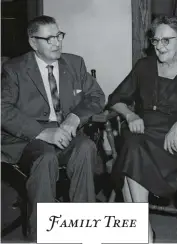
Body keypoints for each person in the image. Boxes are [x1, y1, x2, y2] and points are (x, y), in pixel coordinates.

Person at [107, 16, 177, 242]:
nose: (159, 46)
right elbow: (115, 99)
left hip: (175, 140)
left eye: (166, 40)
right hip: (142, 130)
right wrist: (130, 115)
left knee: (131, 151)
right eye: (156, 40)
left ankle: (138, 232)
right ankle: (143, 234)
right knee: (132, 144)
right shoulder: (144, 66)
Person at [1, 15, 105, 240]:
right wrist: (42, 132)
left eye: (59, 36)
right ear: (33, 42)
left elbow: (96, 96)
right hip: (28, 137)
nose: (57, 43)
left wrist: (74, 118)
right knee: (46, 157)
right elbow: (2, 109)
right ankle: (42, 233)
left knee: (86, 147)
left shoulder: (74, 63)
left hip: (65, 130)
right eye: (49, 38)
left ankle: (83, 228)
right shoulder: (14, 69)